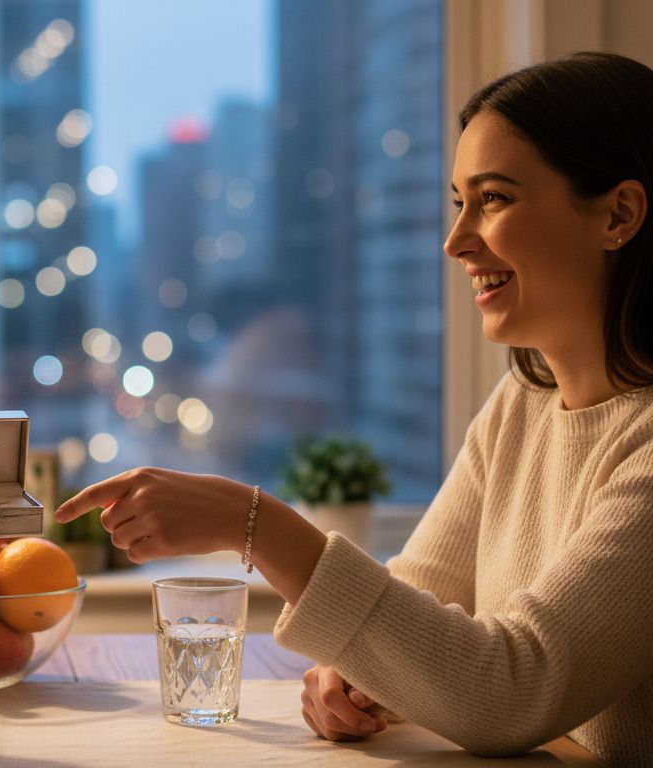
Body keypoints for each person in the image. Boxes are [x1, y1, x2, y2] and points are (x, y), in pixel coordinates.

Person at [58, 51, 653, 765]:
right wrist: (356, 672)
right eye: (458, 203)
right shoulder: (522, 403)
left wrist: (256, 526)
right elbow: (422, 589)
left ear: (619, 214)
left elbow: (509, 691)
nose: (456, 240)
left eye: (494, 198)